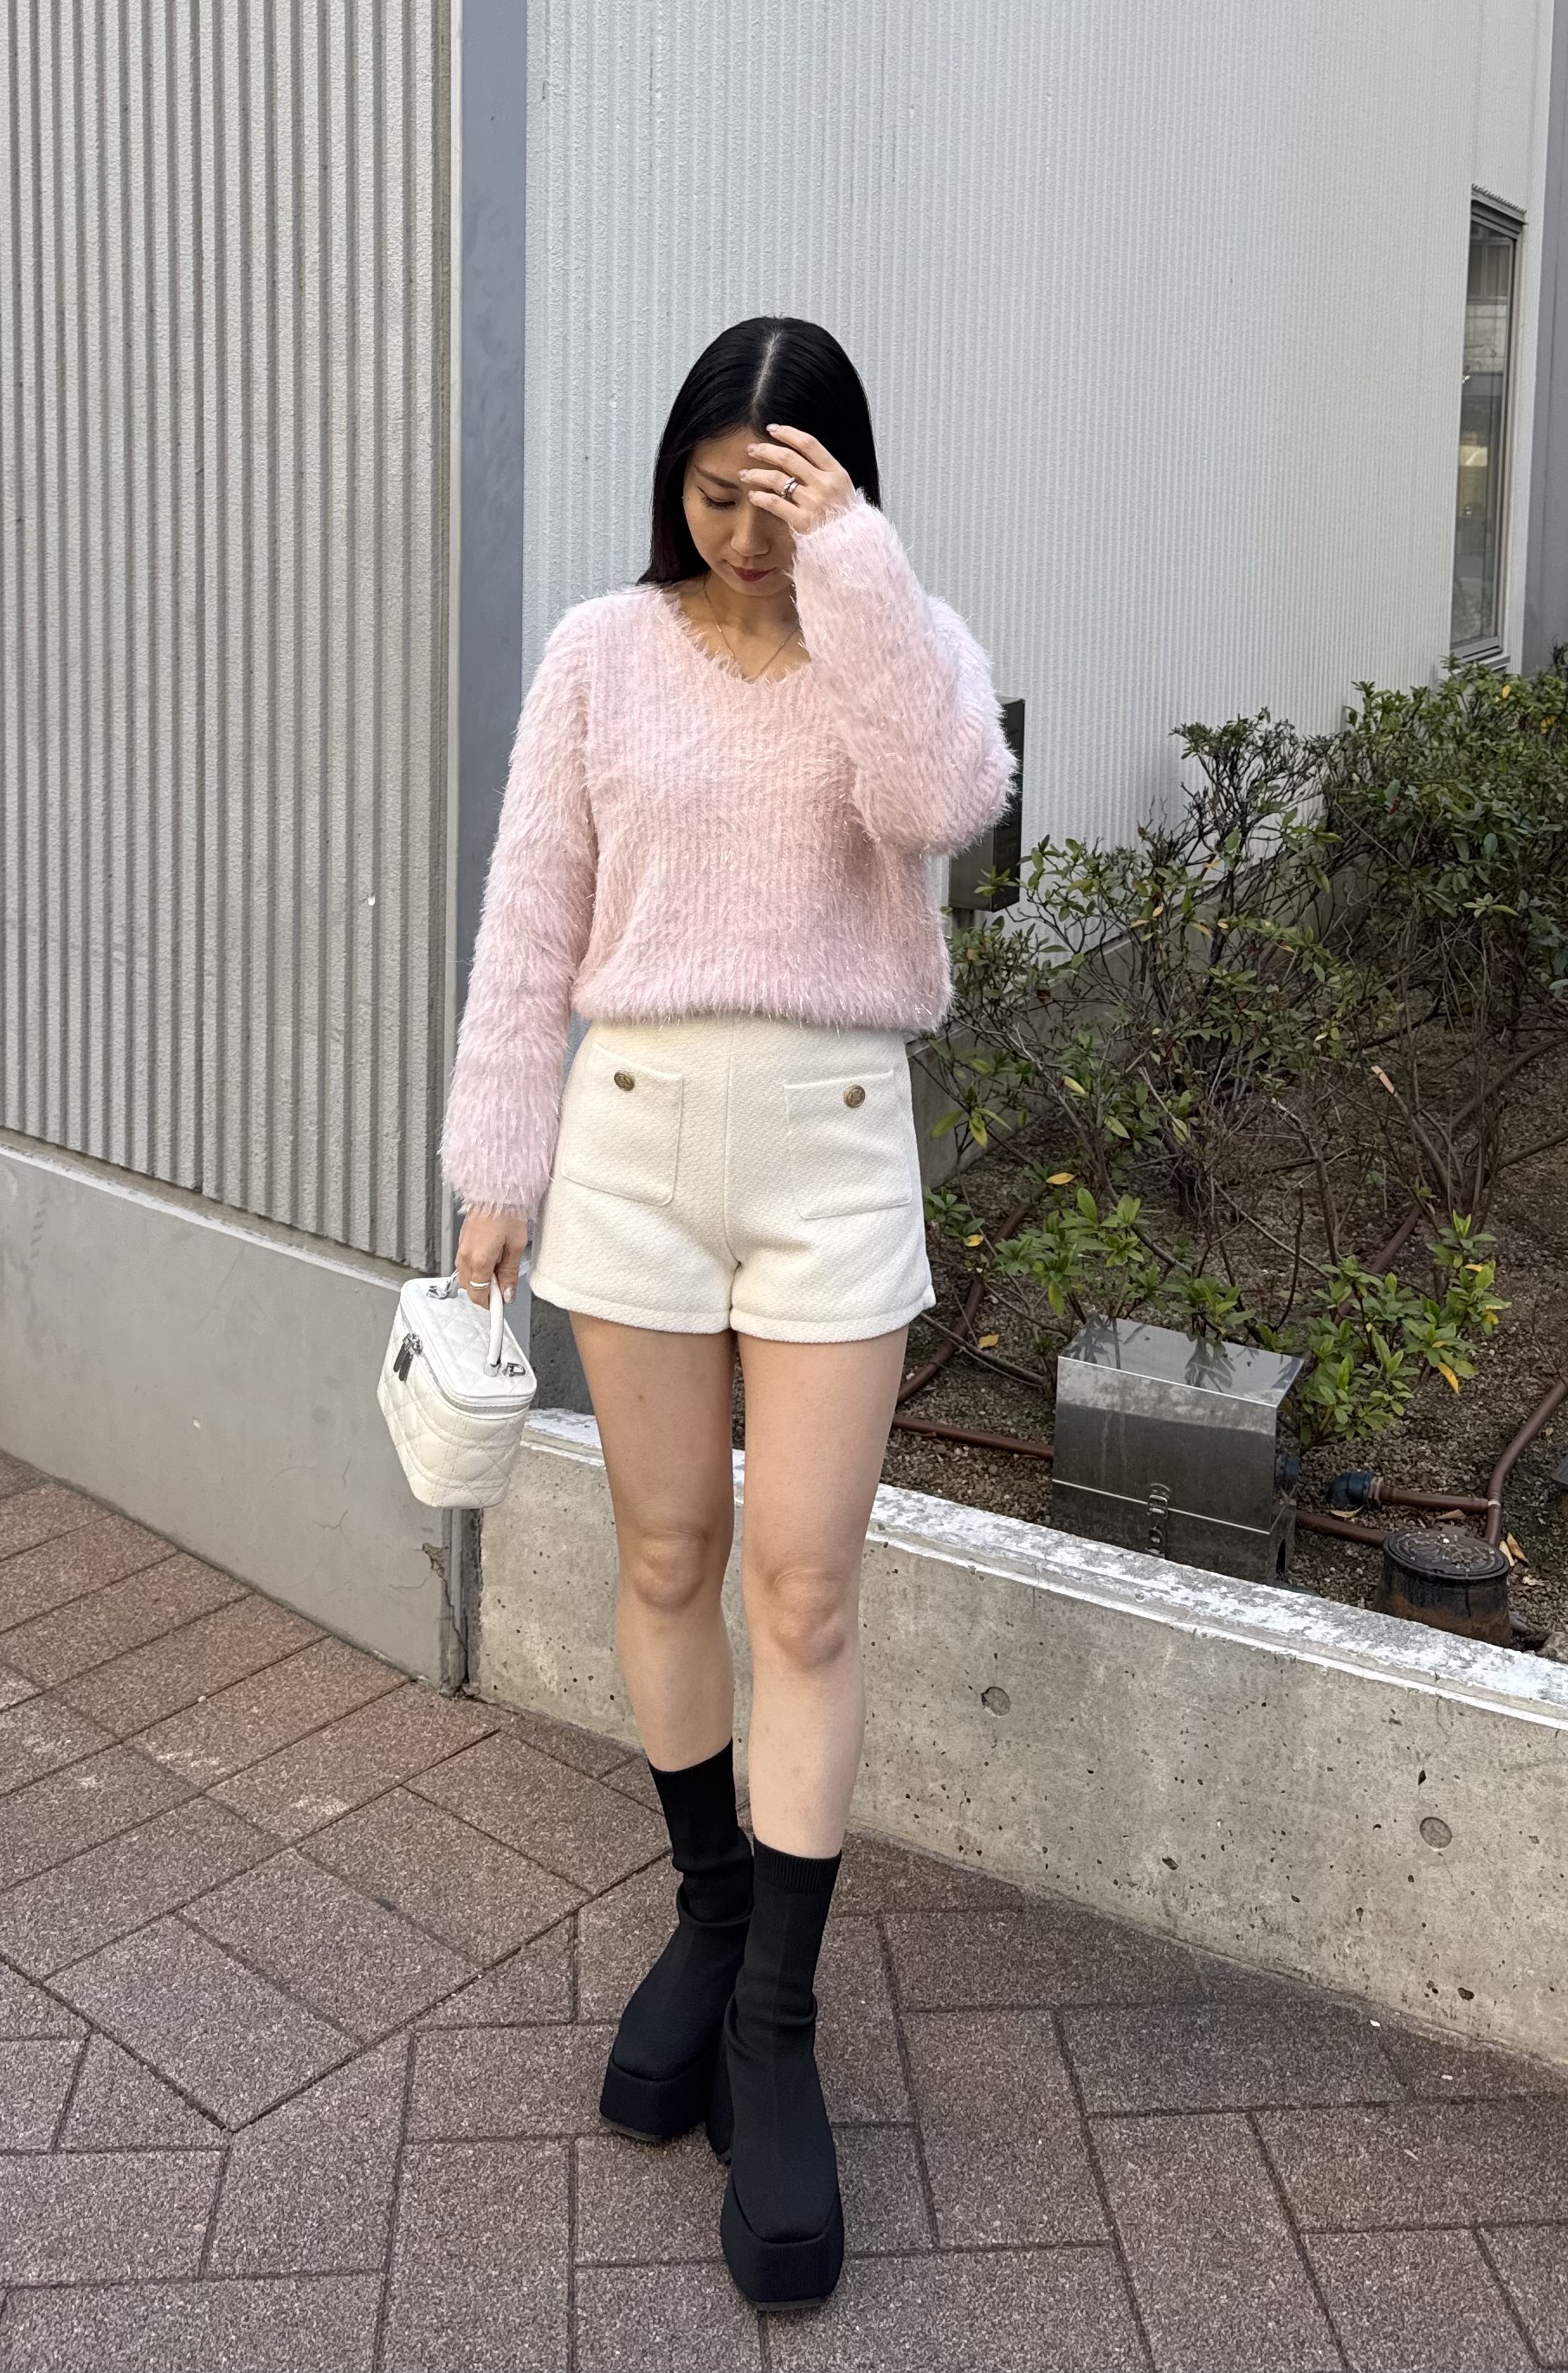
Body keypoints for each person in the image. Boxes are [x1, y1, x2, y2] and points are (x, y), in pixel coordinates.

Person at [439, 315, 1015, 2311]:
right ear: (672, 478)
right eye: (717, 493)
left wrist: (852, 563)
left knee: (806, 1589)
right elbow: (531, 912)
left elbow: (941, 801)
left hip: (832, 1148)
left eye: (782, 496)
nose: (744, 533)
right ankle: (704, 1917)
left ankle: (774, 2023)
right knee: (668, 1551)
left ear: (840, 486)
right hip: (629, 1142)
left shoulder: (898, 638)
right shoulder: (598, 650)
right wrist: (495, 1166)